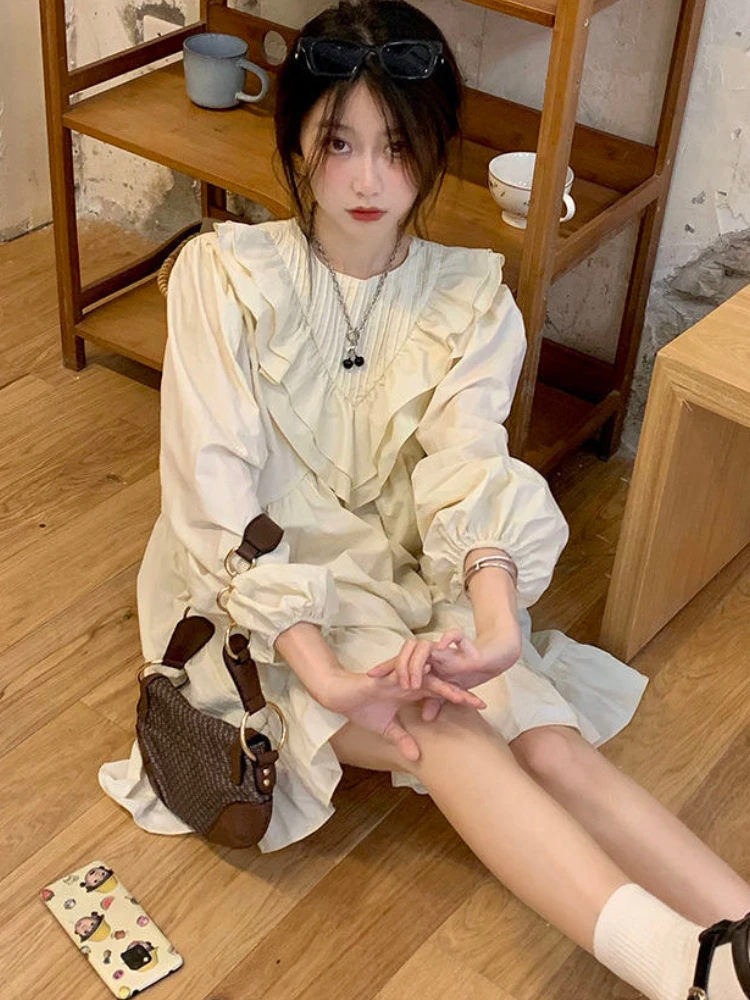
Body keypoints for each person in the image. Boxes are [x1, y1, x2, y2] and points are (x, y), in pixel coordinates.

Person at [99, 2, 750, 997]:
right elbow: (214, 494)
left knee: (540, 734)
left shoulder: (470, 298)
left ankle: (739, 936)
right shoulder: (221, 277)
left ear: (435, 150)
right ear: (297, 143)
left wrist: (495, 623)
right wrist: (325, 671)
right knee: (446, 729)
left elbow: (466, 469)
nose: (368, 180)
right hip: (263, 608)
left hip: (409, 582)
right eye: (339, 143)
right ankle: (684, 972)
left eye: (397, 147)